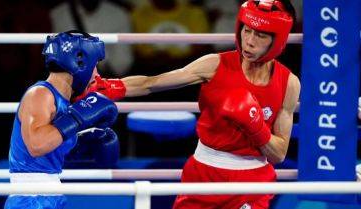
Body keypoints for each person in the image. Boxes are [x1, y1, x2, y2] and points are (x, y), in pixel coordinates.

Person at [77, 0, 301, 208]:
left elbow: (278, 154)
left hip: (252, 182)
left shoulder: (288, 83)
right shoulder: (214, 64)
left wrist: (255, 125)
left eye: (260, 35)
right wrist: (107, 86)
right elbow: (151, 83)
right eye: (247, 30)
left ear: (277, 39)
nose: (249, 41)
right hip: (204, 174)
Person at [4, 30, 119, 209]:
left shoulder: (62, 102)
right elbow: (36, 145)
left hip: (51, 194)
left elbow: (50, 148)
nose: (96, 74)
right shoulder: (41, 94)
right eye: (95, 65)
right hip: (31, 199)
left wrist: (81, 142)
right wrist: (78, 117)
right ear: (80, 62)